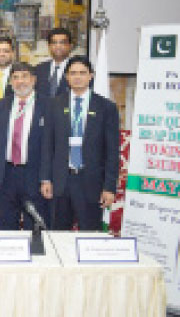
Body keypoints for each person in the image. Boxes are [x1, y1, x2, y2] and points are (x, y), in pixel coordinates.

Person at [41, 56, 120, 231]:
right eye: (73, 73)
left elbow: (112, 152)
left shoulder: (106, 107)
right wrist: (46, 179)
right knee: (58, 235)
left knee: (89, 235)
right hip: (61, 182)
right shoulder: (54, 104)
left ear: (91, 76)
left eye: (82, 73)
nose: (77, 77)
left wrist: (109, 187)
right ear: (67, 77)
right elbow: (47, 145)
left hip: (91, 183)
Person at [0, 62, 49, 230]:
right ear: (10, 81)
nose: (20, 81)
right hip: (6, 174)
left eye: (24, 76)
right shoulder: (0, 106)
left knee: (34, 225)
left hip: (34, 175)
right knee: (5, 224)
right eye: (15, 77)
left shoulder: (48, 105)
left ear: (34, 80)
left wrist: (46, 178)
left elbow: (51, 147)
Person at [35, 28, 73, 98]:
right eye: (54, 43)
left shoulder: (77, 69)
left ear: (70, 46)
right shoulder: (39, 69)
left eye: (62, 42)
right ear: (49, 46)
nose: (58, 46)